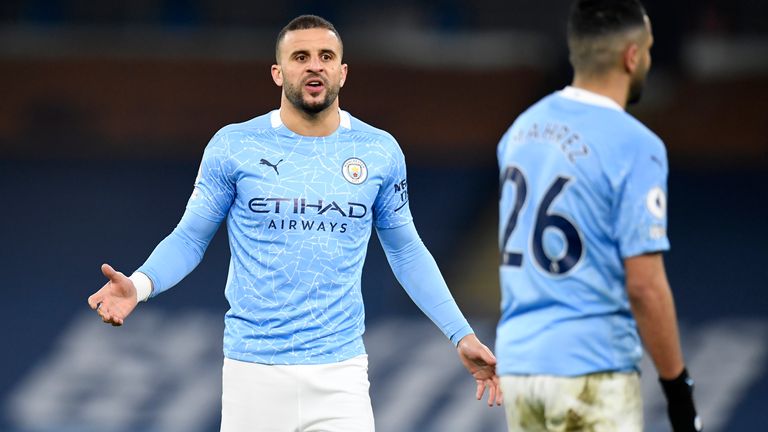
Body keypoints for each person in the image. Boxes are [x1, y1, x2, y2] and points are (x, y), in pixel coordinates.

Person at [87, 14, 501, 432]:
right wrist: (138, 286)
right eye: (300, 56)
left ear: (342, 71)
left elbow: (406, 250)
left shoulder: (379, 151)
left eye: (326, 56)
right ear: (277, 72)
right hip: (254, 374)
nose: (314, 65)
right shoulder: (235, 146)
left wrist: (461, 334)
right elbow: (190, 239)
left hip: (341, 375)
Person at [495, 1, 701, 431]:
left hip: (520, 366)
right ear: (632, 55)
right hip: (589, 368)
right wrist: (678, 390)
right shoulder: (635, 144)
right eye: (647, 49)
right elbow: (645, 285)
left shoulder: (518, 131)